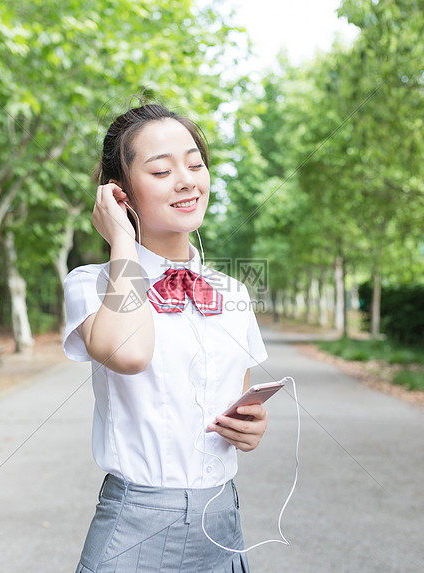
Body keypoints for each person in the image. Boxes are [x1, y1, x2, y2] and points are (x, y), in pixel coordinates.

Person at [63, 101, 269, 573]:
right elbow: (129, 353)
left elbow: (239, 402)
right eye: (161, 170)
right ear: (121, 194)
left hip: (224, 524)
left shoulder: (232, 292)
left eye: (195, 164)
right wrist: (120, 242)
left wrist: (250, 428)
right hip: (134, 528)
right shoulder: (91, 283)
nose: (186, 180)